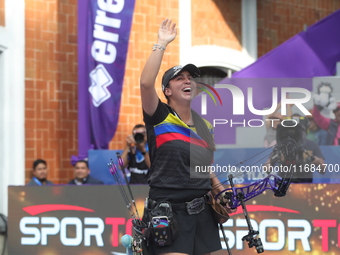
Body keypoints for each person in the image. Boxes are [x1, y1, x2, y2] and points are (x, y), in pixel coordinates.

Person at [139, 18, 232, 254]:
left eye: (190, 77)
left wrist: (219, 188)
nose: (187, 80)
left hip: (203, 212)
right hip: (167, 213)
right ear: (168, 91)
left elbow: (203, 166)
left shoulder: (205, 125)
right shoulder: (159, 116)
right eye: (180, 78)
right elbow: (146, 83)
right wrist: (161, 43)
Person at [267, 115, 325, 183]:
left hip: (305, 183)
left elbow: (323, 171)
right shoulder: (281, 145)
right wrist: (272, 161)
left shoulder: (312, 145)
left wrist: (318, 163)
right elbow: (267, 168)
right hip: (284, 183)